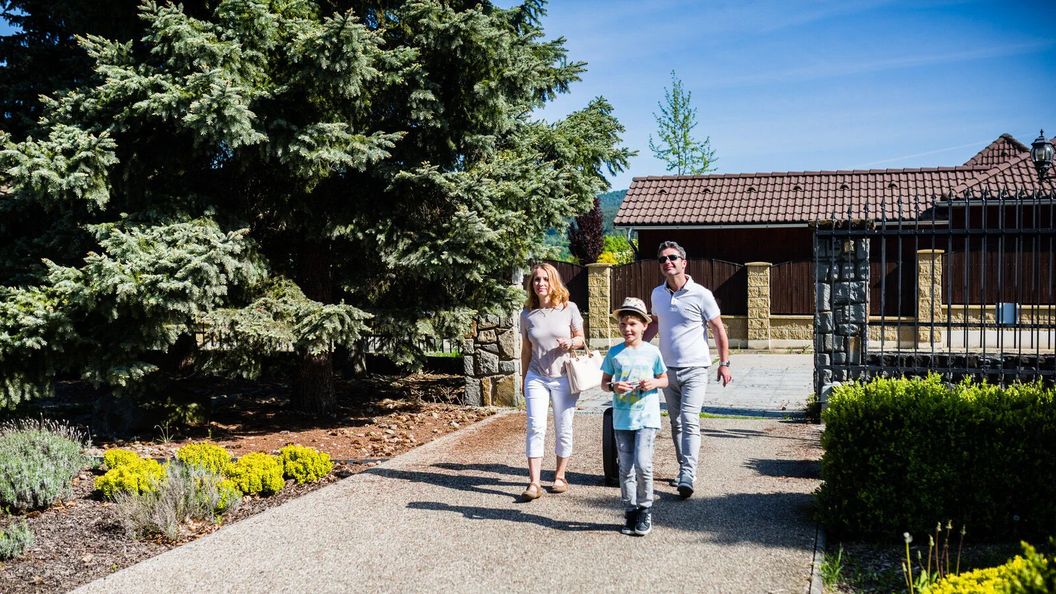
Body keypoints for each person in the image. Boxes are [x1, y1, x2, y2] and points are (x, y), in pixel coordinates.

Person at [644, 240, 733, 499]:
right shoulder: (657, 294)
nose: (667, 262)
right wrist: (634, 348)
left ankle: (687, 474)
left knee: (689, 420)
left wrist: (724, 363)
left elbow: (718, 328)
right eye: (663, 259)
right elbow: (655, 324)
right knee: (676, 423)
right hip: (666, 371)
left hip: (695, 369)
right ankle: (684, 468)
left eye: (672, 257)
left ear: (684, 262)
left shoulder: (701, 294)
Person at [601, 297, 668, 536]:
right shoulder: (614, 353)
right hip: (622, 419)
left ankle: (645, 508)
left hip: (646, 418)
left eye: (632, 324)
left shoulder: (652, 352)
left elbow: (664, 379)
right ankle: (630, 510)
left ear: (644, 325)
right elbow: (604, 383)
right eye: (623, 324)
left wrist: (653, 383)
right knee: (625, 467)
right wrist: (614, 387)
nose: (627, 329)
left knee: (643, 464)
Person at [519, 262, 586, 501]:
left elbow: (581, 339)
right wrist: (523, 378)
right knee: (536, 426)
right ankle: (534, 482)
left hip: (564, 377)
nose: (541, 283)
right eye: (537, 279)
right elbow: (526, 349)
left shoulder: (569, 308)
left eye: (546, 279)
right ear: (532, 284)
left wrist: (571, 343)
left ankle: (560, 476)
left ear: (554, 281)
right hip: (536, 376)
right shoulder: (526, 314)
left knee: (563, 426)